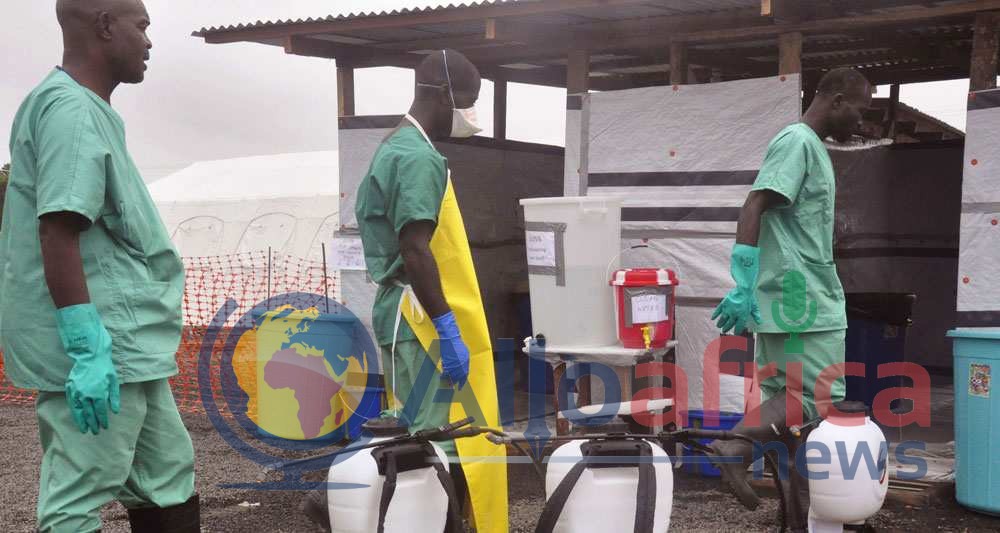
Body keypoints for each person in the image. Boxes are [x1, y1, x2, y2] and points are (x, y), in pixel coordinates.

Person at [1, 1, 198, 531]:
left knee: (166, 475)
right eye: (142, 27)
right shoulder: (70, 110)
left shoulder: (86, 108)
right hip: (106, 342)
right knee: (81, 488)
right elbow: (58, 228)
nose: (149, 42)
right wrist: (88, 350)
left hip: (133, 343)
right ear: (105, 25)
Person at [302, 49, 509, 532]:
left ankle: (408, 517)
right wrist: (446, 326)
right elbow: (415, 249)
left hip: (401, 312)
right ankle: (339, 501)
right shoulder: (417, 157)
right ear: (443, 95)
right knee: (433, 438)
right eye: (469, 101)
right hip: (418, 320)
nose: (471, 113)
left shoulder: (393, 146)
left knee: (417, 430)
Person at [709, 68, 872, 511]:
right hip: (801, 299)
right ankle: (735, 447)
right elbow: (755, 203)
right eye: (860, 110)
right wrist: (743, 279)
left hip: (790, 295)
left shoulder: (808, 146)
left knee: (788, 410)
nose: (861, 121)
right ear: (836, 101)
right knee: (817, 397)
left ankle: (797, 514)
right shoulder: (798, 141)